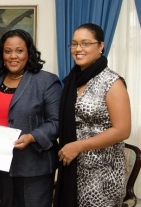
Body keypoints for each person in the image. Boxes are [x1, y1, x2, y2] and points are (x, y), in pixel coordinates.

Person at [0, 29, 62, 207]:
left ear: (29, 53)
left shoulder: (46, 81)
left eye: (19, 50)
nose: (13, 56)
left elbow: (57, 122)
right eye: (8, 51)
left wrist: (32, 137)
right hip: (2, 163)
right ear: (2, 54)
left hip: (35, 165)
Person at [53, 23, 131, 207]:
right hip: (74, 167)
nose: (78, 49)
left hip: (103, 173)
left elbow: (122, 130)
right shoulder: (73, 80)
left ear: (101, 46)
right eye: (74, 44)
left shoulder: (112, 82)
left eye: (85, 43)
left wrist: (78, 146)